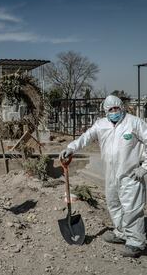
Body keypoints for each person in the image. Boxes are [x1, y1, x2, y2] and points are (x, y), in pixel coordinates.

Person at [60, 95, 147, 258]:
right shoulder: (101, 125)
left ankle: (136, 243)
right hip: (111, 174)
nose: (114, 112)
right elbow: (86, 137)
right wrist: (70, 148)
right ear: (105, 111)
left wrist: (145, 166)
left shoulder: (134, 123)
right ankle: (122, 233)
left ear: (122, 107)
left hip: (131, 174)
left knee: (132, 209)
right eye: (110, 110)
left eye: (116, 108)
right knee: (114, 204)